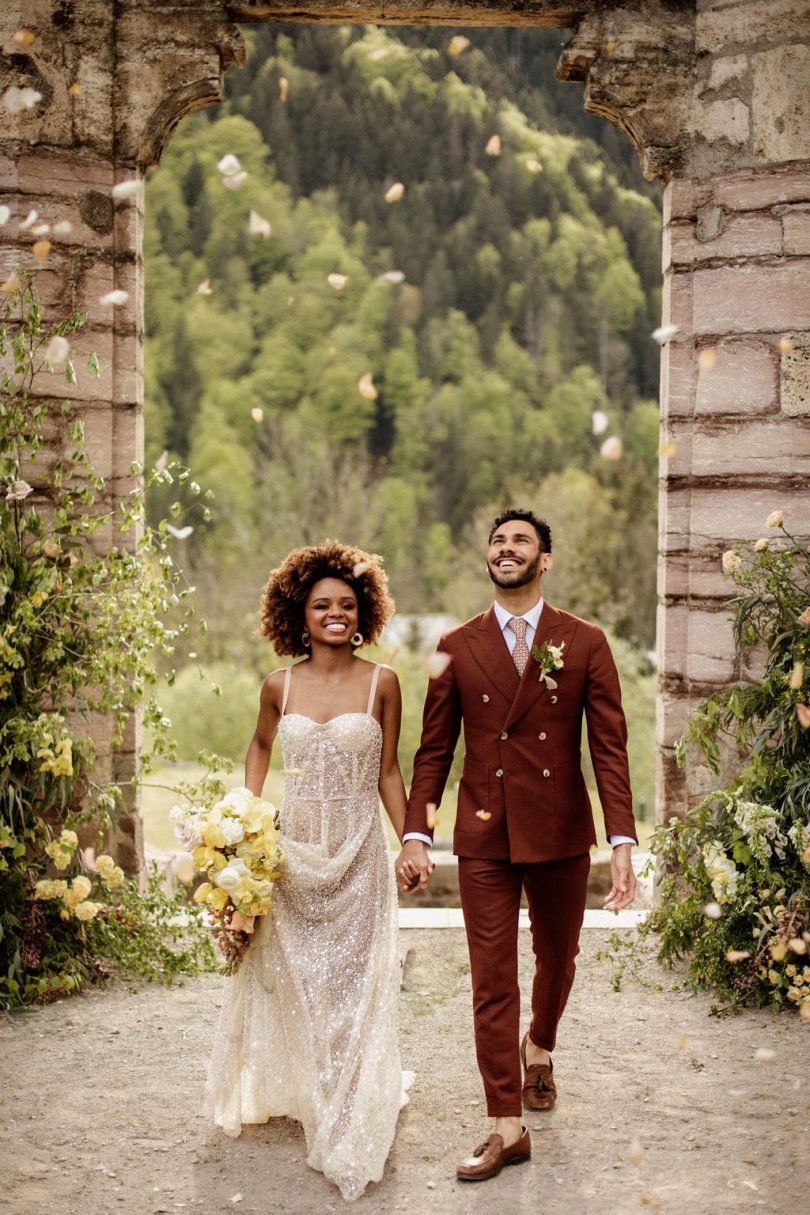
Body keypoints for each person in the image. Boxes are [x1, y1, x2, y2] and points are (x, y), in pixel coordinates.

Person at [396, 508, 637, 1182]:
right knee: (491, 977)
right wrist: (416, 830)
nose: (506, 549)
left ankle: (541, 1045)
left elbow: (609, 750)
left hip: (560, 828)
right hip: (483, 832)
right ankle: (506, 1122)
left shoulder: (583, 641)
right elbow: (434, 750)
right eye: (498, 541)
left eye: (520, 540)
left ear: (545, 559)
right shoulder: (455, 643)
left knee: (558, 960)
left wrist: (621, 839)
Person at [205, 540, 414, 1203]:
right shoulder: (279, 685)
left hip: (358, 852)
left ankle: (350, 1104)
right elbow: (260, 746)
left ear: (363, 614)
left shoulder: (384, 682)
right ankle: (313, 1083)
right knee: (299, 976)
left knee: (357, 980)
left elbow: (387, 769)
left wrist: (409, 839)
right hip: (293, 853)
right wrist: (244, 824)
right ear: (300, 613)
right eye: (322, 604)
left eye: (346, 605)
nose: (334, 614)